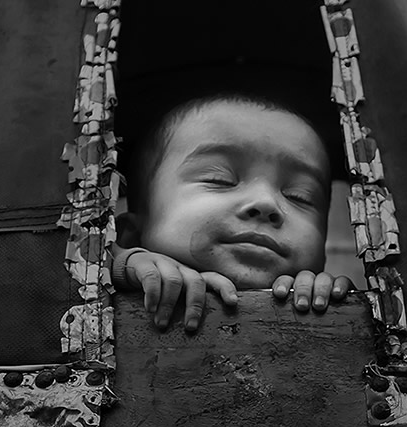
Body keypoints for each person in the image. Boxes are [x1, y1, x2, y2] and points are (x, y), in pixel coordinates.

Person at [113, 92, 354, 332]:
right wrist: (125, 266)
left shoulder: (318, 301)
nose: (266, 202)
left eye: (299, 196)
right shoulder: (122, 274)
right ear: (131, 234)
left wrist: (333, 301)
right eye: (219, 179)